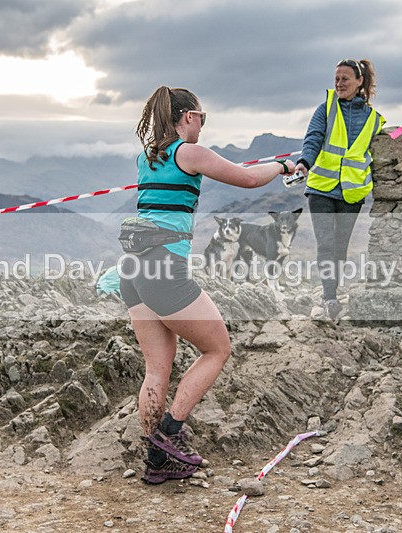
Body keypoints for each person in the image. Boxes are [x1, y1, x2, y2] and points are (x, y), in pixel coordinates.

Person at [119, 86, 295, 484]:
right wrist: (284, 166)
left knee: (156, 368)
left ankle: (156, 460)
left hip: (132, 270)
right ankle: (169, 434)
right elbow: (248, 179)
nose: (203, 123)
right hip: (165, 269)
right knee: (217, 349)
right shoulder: (189, 152)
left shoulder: (147, 157)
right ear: (189, 117)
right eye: (202, 116)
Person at [295, 59, 385, 321]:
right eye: (336, 78)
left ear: (359, 81)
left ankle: (333, 290)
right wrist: (304, 163)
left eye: (345, 78)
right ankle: (330, 298)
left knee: (340, 246)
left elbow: (382, 145)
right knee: (326, 243)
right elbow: (313, 138)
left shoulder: (373, 119)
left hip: (351, 192)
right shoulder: (325, 108)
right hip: (321, 188)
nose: (339, 83)